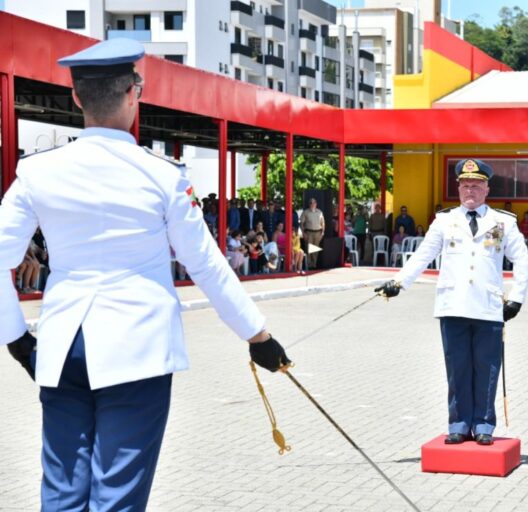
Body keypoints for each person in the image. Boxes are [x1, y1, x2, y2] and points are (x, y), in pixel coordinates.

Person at [0, 38, 290, 511]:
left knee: (63, 494)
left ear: (76, 97)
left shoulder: (38, 172)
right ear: (135, 92)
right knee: (117, 496)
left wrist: (16, 338)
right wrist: (257, 335)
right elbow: (205, 264)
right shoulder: (163, 175)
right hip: (136, 351)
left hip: (60, 349)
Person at [375, 158, 528, 446]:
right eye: (465, 185)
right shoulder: (444, 221)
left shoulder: (503, 222)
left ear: (486, 189)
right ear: (458, 189)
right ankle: (458, 423)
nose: (470, 190)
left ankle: (484, 424)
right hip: (453, 305)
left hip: (488, 306)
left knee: (487, 368)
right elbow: (423, 254)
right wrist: (400, 282)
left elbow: (522, 259)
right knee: (457, 367)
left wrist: (517, 298)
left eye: (476, 185)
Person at [300, 197, 325, 269]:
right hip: (309, 232)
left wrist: (322, 233)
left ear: (316, 204)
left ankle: (314, 265)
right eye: (311, 202)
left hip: (318, 233)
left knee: (315, 249)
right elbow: (302, 223)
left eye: (314, 202)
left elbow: (323, 223)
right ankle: (309, 265)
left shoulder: (320, 212)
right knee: (308, 249)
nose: (312, 204)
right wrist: (303, 233)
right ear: (309, 204)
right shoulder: (306, 212)